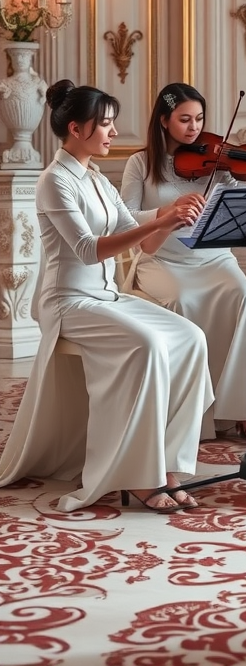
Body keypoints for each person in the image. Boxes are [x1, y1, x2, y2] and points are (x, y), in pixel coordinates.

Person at [0, 80, 214, 514]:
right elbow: (88, 249)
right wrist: (160, 221)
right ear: (77, 128)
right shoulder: (53, 181)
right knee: (148, 344)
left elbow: (136, 232)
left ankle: (169, 464)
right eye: (106, 124)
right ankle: (139, 474)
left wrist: (172, 218)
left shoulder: (97, 178)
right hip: (68, 301)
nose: (114, 132)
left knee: (191, 338)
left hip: (106, 296)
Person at [120, 82, 246, 445]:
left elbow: (242, 201)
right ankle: (192, 415)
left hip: (213, 258)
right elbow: (126, 217)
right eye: (185, 119)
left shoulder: (218, 161)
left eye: (199, 118)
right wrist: (166, 211)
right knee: (181, 300)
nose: (194, 127)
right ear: (164, 120)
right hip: (162, 258)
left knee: (244, 296)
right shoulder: (140, 163)